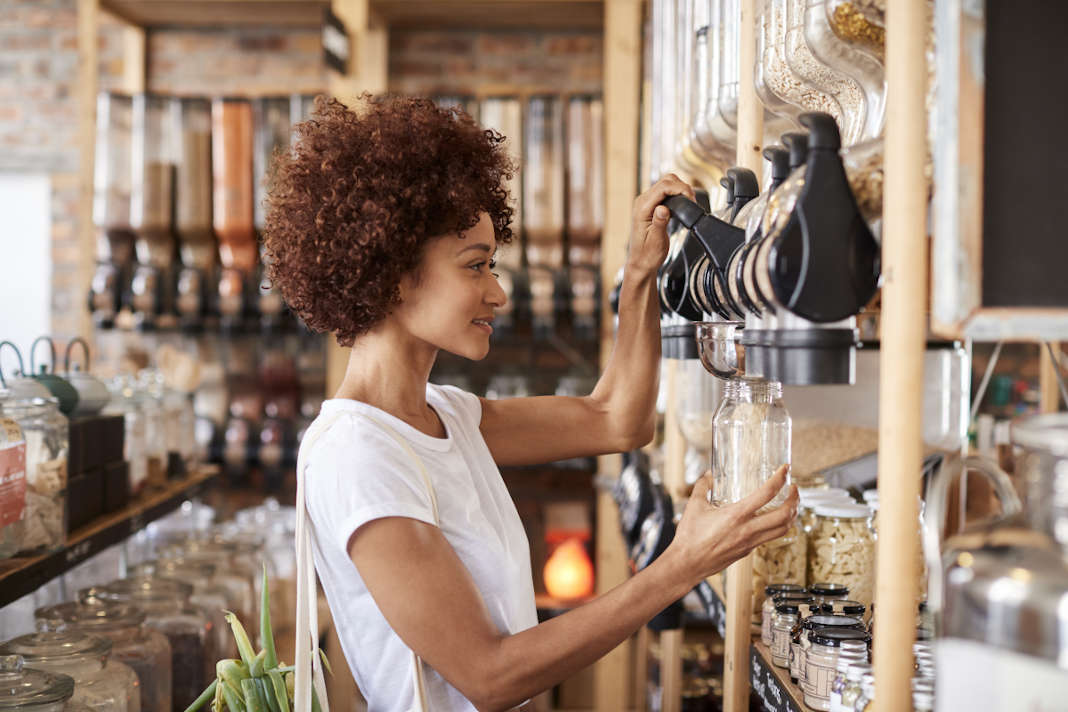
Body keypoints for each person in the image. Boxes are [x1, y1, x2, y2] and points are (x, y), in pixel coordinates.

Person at [263, 95, 798, 712]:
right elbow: (488, 676)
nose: (498, 293)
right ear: (391, 274)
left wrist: (642, 271)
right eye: (476, 266)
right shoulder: (359, 455)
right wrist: (683, 564)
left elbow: (616, 420)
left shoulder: (445, 417)